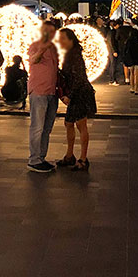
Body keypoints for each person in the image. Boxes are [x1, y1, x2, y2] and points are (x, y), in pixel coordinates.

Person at [56, 27, 96, 171]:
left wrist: (69, 96)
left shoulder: (75, 56)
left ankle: (83, 159)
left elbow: (79, 79)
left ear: (71, 40)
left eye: (63, 39)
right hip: (75, 93)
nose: (60, 42)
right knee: (68, 123)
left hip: (81, 94)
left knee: (81, 125)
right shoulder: (68, 55)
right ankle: (69, 155)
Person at [27, 19, 60, 173]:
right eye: (47, 30)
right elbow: (33, 59)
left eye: (52, 31)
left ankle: (41, 157)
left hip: (52, 92)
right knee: (37, 127)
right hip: (39, 91)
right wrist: (43, 48)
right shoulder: (35, 45)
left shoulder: (54, 48)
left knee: (47, 128)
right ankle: (33, 160)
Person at [122, 22, 138, 94]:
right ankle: (136, 89)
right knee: (137, 74)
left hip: (131, 59)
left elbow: (125, 50)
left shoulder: (128, 42)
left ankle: (132, 88)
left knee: (131, 73)